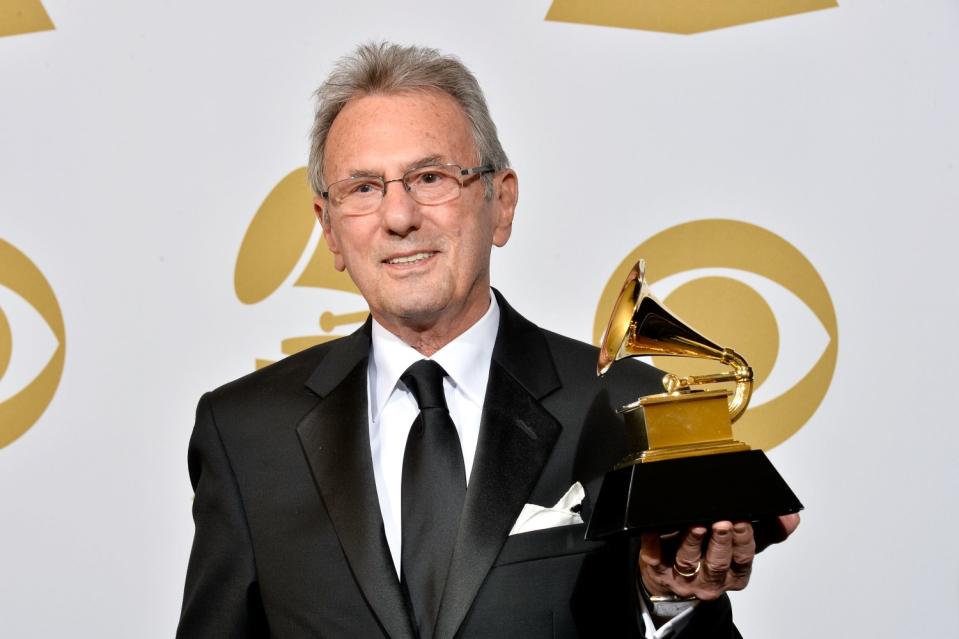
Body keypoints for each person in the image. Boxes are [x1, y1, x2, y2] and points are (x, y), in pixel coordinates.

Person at [176, 42, 799, 638]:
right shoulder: (245, 432)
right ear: (330, 230)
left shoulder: (624, 410)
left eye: (430, 177)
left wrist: (673, 604)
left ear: (500, 203)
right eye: (363, 188)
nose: (398, 218)